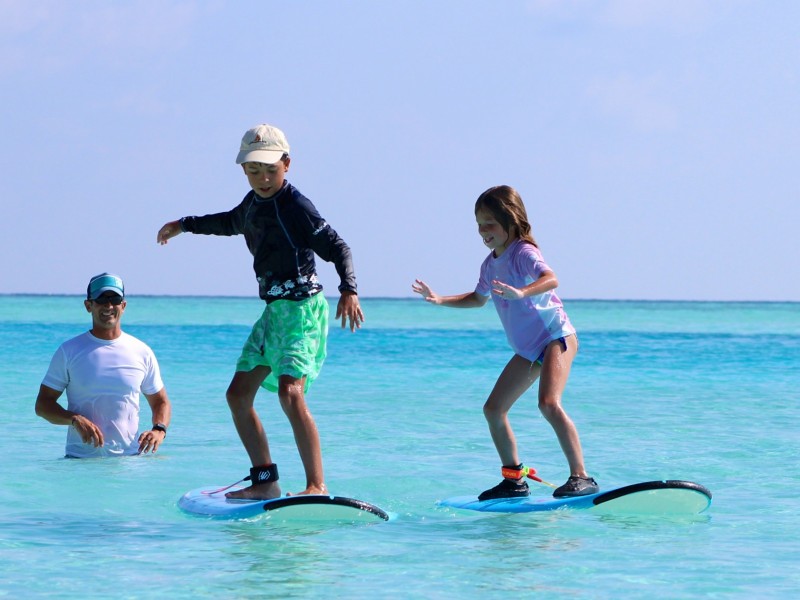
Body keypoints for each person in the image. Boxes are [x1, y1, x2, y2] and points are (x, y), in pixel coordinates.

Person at [156, 123, 364, 500]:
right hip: (273, 314)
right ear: (243, 170)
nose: (263, 178)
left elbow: (339, 247)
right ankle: (265, 481)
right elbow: (225, 223)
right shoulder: (252, 206)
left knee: (290, 393)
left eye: (270, 169)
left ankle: (316, 485)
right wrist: (183, 225)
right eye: (254, 170)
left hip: (302, 312)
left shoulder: (298, 207)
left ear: (287, 164)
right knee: (237, 395)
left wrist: (348, 289)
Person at [412, 185, 598, 499]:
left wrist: (522, 292)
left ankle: (582, 476)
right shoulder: (490, 264)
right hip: (528, 349)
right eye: (479, 225)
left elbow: (551, 279)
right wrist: (440, 299)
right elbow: (477, 298)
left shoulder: (524, 252)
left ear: (510, 222)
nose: (483, 231)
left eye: (490, 224)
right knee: (493, 409)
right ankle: (514, 480)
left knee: (548, 404)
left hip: (556, 337)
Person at [35, 273, 172, 458]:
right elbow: (43, 405)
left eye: (115, 299)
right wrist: (74, 419)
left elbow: (160, 401)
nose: (108, 306)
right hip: (80, 462)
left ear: (123, 306)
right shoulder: (69, 351)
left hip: (129, 461)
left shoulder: (142, 351)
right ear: (88, 305)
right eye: (101, 299)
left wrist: (159, 429)